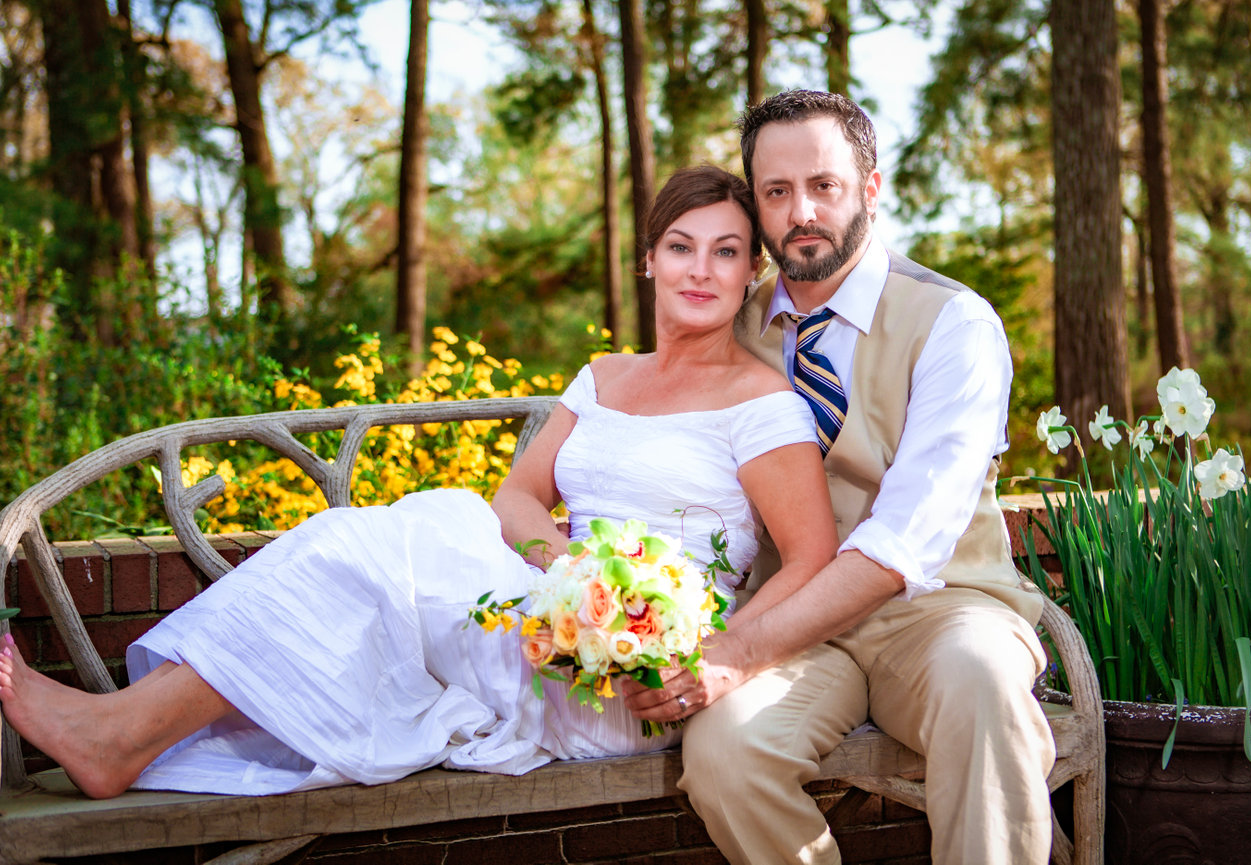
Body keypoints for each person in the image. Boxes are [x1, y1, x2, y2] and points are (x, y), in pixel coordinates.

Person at [0, 165, 841, 800]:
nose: (702, 269)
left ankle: (121, 733)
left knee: (405, 536)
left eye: (727, 251)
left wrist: (704, 659)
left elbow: (811, 559)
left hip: (631, 682)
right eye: (682, 246)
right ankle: (124, 734)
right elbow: (516, 498)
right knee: (398, 537)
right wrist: (571, 570)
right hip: (547, 614)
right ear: (650, 260)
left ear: (750, 275)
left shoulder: (761, 403)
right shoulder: (603, 377)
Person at [623, 91, 1055, 864]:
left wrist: (736, 651)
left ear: (870, 189)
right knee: (724, 752)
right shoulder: (731, 323)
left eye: (823, 185)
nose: (802, 213)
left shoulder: (954, 323)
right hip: (789, 617)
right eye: (777, 192)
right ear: (754, 204)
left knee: (985, 682)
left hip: (938, 609)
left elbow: (904, 541)